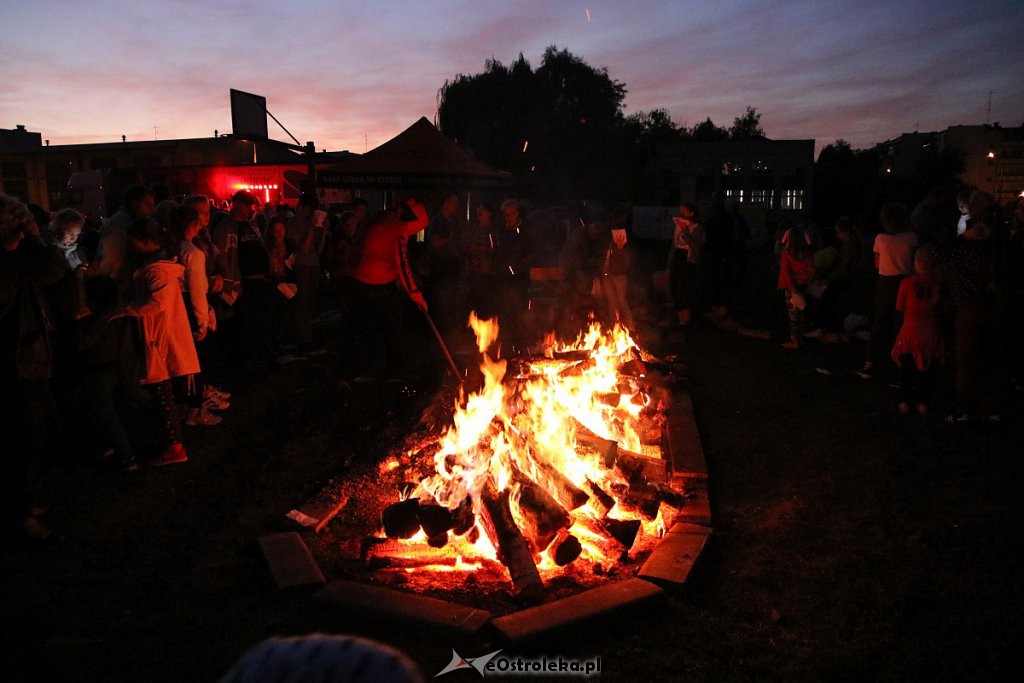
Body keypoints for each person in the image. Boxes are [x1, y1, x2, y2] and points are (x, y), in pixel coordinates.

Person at [0, 194, 65, 541]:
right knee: (22, 440)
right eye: (20, 229)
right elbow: (53, 266)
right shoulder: (8, 263)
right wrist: (35, 236)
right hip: (16, 367)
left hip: (24, 363)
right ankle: (19, 514)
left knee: (36, 436)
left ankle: (22, 503)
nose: (24, 236)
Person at [110, 217, 200, 465]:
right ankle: (170, 442)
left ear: (144, 242)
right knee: (163, 392)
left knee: (162, 392)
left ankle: (175, 446)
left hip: (159, 338)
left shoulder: (157, 271)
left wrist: (126, 309)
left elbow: (156, 304)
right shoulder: (160, 267)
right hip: (161, 336)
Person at [343, 200, 428, 382]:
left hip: (357, 282)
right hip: (376, 286)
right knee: (390, 328)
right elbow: (403, 265)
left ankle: (357, 370)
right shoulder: (396, 228)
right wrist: (417, 297)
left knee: (362, 329)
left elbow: (377, 251)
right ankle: (391, 372)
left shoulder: (378, 217)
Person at [939, 196, 1007, 423]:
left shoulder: (961, 246)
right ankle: (992, 408)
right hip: (993, 306)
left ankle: (964, 408)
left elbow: (942, 262)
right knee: (990, 357)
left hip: (969, 308)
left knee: (966, 360)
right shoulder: (999, 244)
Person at [171, 205, 222, 427]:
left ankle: (185, 405)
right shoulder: (193, 253)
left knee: (184, 363)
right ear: (193, 224)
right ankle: (195, 410)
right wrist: (202, 321)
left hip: (176, 310)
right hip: (189, 312)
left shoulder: (174, 248)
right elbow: (197, 290)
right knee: (194, 363)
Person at [858, 203, 917, 379]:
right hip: (906, 282)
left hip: (885, 283)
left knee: (879, 323)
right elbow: (914, 261)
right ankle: (901, 363)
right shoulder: (911, 237)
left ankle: (870, 362)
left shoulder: (880, 239)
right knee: (900, 323)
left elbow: (877, 263)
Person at [891, 246, 943, 415]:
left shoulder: (907, 283)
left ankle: (905, 400)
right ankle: (923, 401)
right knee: (927, 369)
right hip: (931, 333)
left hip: (911, 331)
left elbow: (899, 306)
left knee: (907, 367)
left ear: (918, 263)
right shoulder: (938, 285)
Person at [94, 185, 155, 294]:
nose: (151, 209)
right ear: (134, 203)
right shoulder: (121, 224)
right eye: (147, 205)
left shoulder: (127, 221)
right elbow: (112, 259)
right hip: (118, 285)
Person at [285, 194, 326, 349]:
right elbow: (303, 249)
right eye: (309, 208)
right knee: (302, 302)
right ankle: (303, 337)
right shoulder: (292, 224)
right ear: (300, 207)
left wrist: (323, 231)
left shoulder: (310, 223)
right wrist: (312, 228)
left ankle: (308, 335)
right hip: (301, 266)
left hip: (313, 265)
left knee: (310, 302)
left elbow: (318, 250)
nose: (310, 212)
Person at [492, 199, 532, 352]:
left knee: (519, 312)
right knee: (504, 312)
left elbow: (530, 253)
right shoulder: (501, 230)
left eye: (509, 214)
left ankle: (521, 346)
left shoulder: (525, 230)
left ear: (516, 213)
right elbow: (498, 251)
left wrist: (517, 268)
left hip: (519, 279)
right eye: (505, 215)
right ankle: (506, 347)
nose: (507, 218)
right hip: (503, 279)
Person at [426, 192, 462, 334]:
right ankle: (440, 331)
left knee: (449, 299)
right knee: (442, 299)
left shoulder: (449, 221)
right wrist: (449, 238)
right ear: (446, 203)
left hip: (450, 265)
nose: (457, 206)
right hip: (442, 266)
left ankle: (446, 330)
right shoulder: (438, 221)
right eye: (454, 202)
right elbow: (435, 243)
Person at [778, 226, 815, 349]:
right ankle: (801, 338)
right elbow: (811, 270)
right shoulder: (806, 254)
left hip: (792, 288)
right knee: (801, 314)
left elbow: (786, 273)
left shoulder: (787, 254)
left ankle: (795, 340)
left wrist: (792, 288)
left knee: (793, 315)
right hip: (803, 286)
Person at [668, 202, 705, 326]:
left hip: (687, 259)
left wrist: (686, 232)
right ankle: (681, 318)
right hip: (677, 257)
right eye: (680, 211)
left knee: (682, 289)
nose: (681, 213)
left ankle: (686, 319)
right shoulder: (678, 226)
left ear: (692, 213)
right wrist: (669, 263)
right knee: (673, 287)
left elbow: (695, 248)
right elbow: (674, 245)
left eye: (684, 211)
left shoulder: (697, 228)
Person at [459, 203, 498, 319]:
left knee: (484, 302)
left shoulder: (492, 230)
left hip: (486, 273)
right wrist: (470, 248)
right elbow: (462, 244)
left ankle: (484, 325)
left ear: (489, 213)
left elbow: (495, 249)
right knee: (471, 300)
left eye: (483, 209)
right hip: (472, 271)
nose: (479, 211)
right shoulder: (472, 229)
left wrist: (484, 249)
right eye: (479, 209)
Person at [600, 211, 634, 330]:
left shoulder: (623, 235)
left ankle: (630, 327)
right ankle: (614, 327)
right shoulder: (608, 236)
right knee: (612, 301)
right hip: (608, 273)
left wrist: (620, 249)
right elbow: (606, 254)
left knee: (621, 299)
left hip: (619, 273)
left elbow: (625, 255)